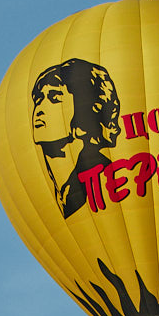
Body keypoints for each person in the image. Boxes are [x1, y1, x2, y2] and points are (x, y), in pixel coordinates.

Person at [30, 58, 121, 218]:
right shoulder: (40, 189)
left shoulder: (106, 176)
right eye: (38, 100)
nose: (39, 110)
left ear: (85, 109)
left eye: (54, 98)